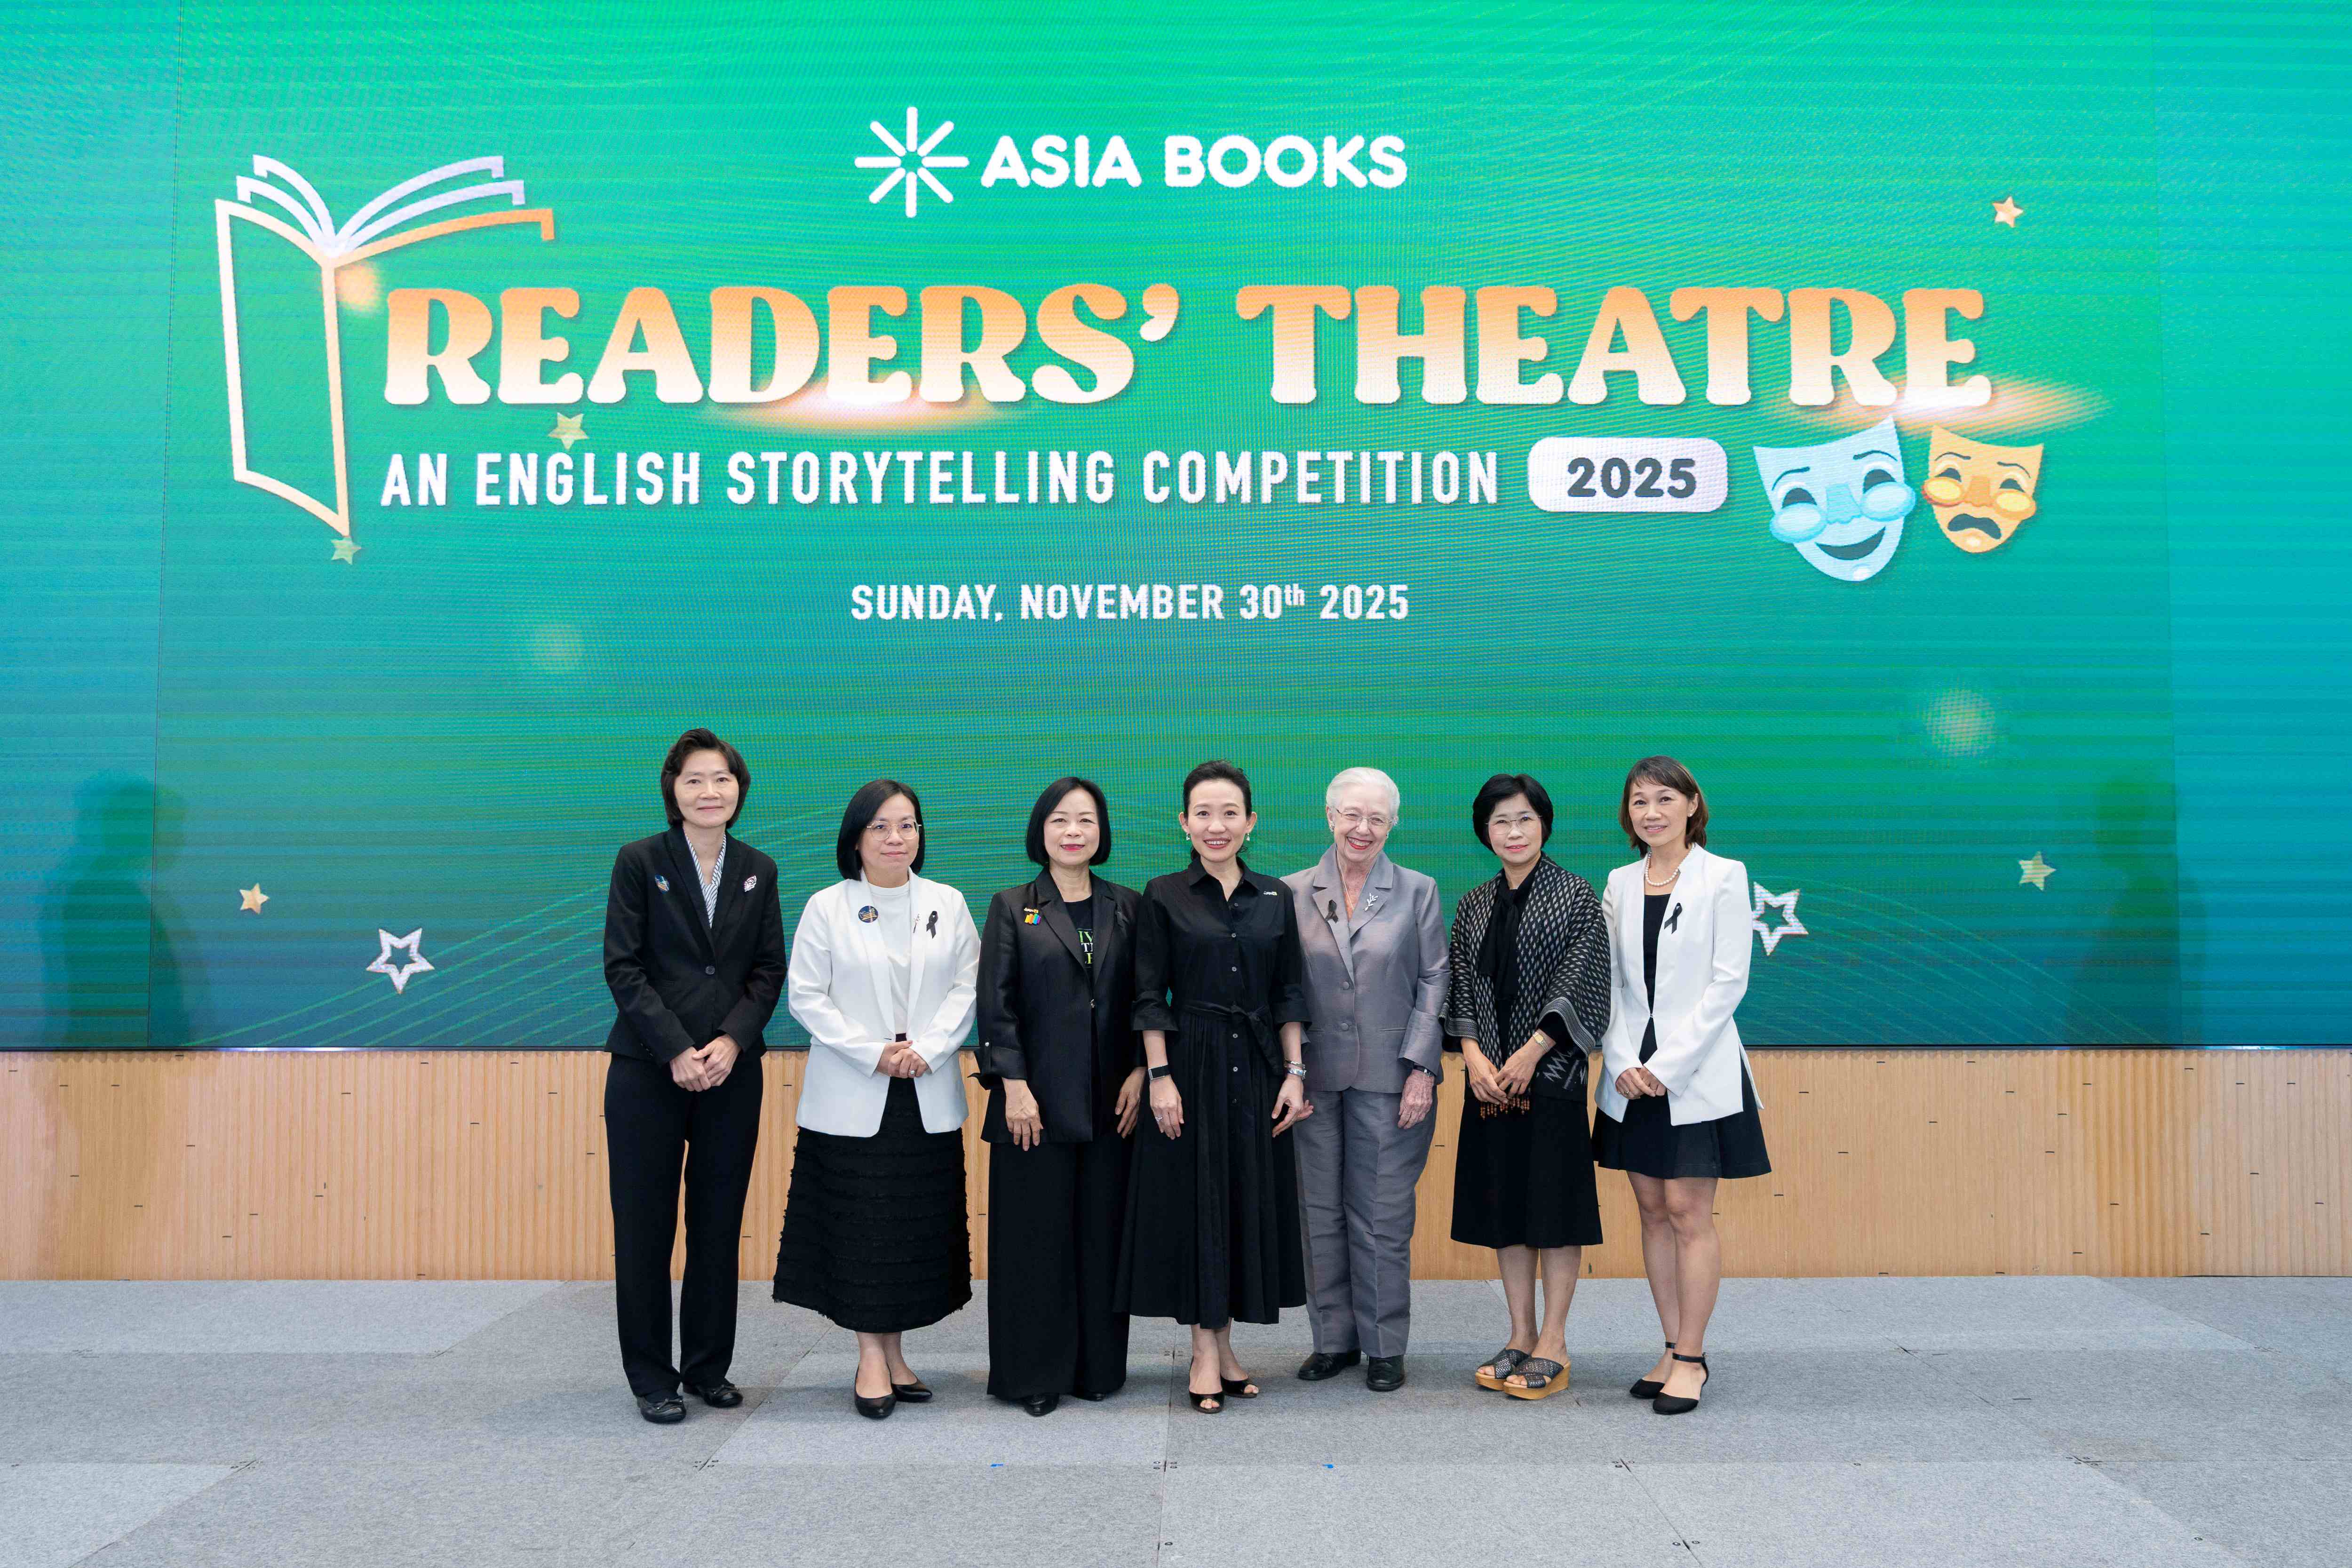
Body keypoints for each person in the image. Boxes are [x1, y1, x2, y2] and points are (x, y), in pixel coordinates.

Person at [773, 779, 980, 1420]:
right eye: (881, 827)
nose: (896, 838)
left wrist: (928, 1048)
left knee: (907, 1230)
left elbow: (969, 987)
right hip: (853, 1092)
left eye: (908, 825)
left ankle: (895, 1354)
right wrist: (875, 1052)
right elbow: (807, 996)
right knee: (861, 1231)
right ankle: (870, 1357)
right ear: (856, 838)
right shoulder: (827, 906)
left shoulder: (947, 902)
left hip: (925, 1090)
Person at [600, 728, 786, 1424]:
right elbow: (623, 966)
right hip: (648, 1070)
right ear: (673, 790)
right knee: (644, 1227)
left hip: (732, 1072)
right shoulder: (639, 860)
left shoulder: (759, 868)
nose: (710, 792)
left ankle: (708, 1367)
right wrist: (677, 1048)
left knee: (717, 1223)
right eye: (695, 780)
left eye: (722, 779)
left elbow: (768, 969)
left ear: (740, 789)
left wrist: (733, 1041)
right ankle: (653, 1377)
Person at [1116, 759, 1312, 1414]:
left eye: (1230, 813)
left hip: (1257, 1068)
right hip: (1191, 1065)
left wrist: (1294, 1075)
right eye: (1203, 813)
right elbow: (1149, 994)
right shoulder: (1163, 893)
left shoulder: (1276, 896)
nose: (1216, 825)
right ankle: (1204, 1351)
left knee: (1240, 1203)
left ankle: (1225, 1348)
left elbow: (1289, 993)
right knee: (1198, 1204)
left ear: (1251, 822)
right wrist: (1160, 1077)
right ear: (1184, 822)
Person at [1595, 756, 1769, 1416]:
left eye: (1665, 799)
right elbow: (1609, 983)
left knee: (1689, 1212)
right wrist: (1622, 1061)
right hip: (1629, 1073)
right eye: (1640, 801)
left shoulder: (1723, 875)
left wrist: (1665, 1067)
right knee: (1651, 1211)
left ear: (1692, 804)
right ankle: (1670, 1346)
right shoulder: (1619, 882)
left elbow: (1729, 982)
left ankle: (1692, 1358)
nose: (1652, 812)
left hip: (1695, 1072)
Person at [975, 777, 1146, 1416]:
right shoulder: (1011, 906)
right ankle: (1033, 1375)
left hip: (1113, 1104)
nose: (1074, 831)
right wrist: (1013, 1086)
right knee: (1035, 1243)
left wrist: (1142, 1070)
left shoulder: (1129, 906)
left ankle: (1098, 1368)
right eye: (1060, 820)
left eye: (1086, 820)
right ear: (1040, 830)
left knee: (1102, 1238)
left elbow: (1147, 998)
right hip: (1034, 1106)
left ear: (1102, 831)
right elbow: (995, 1006)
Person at [1445, 772, 1612, 1401]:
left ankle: (1555, 1342)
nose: (1513, 832)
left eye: (1524, 819)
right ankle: (1520, 1334)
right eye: (1500, 821)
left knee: (1554, 1212)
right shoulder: (1472, 904)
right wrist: (1474, 1058)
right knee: (1506, 1210)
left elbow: (1582, 981)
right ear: (1484, 832)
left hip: (1552, 1078)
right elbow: (1461, 986)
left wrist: (1532, 1051)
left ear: (1544, 824)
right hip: (1489, 1084)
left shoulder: (1575, 895)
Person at [1281, 767, 1448, 1392]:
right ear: (1330, 817)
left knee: (1381, 1215)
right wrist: (1292, 1070)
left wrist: (1422, 1067)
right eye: (1352, 814)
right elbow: (1283, 990)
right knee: (1319, 1211)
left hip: (1392, 1076)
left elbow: (1435, 978)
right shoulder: (1291, 891)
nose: (1363, 828)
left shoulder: (1419, 891)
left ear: (1393, 824)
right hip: (1313, 1077)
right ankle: (1333, 1341)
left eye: (1377, 818)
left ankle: (1384, 1345)